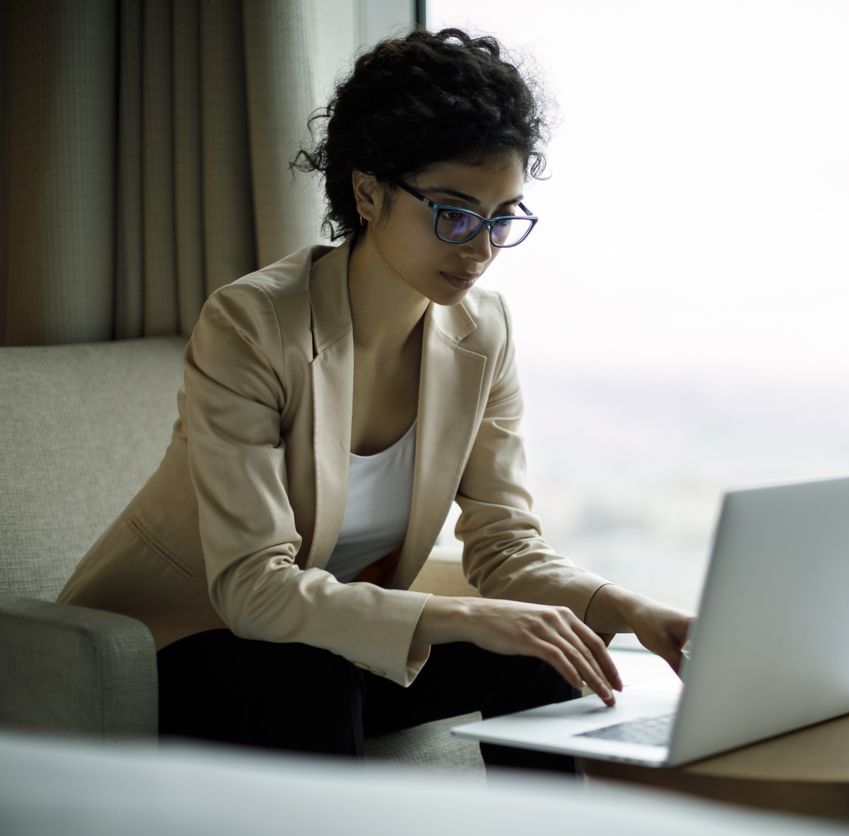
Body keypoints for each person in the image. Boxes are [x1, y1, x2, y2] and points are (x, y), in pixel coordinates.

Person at [58, 27, 692, 772]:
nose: (481, 248)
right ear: (368, 192)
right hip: (164, 650)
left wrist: (628, 608)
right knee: (311, 678)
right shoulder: (252, 324)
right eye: (454, 213)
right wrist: (461, 614)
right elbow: (253, 589)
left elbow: (504, 545)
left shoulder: (483, 332)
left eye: (503, 217)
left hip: (320, 647)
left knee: (540, 649)